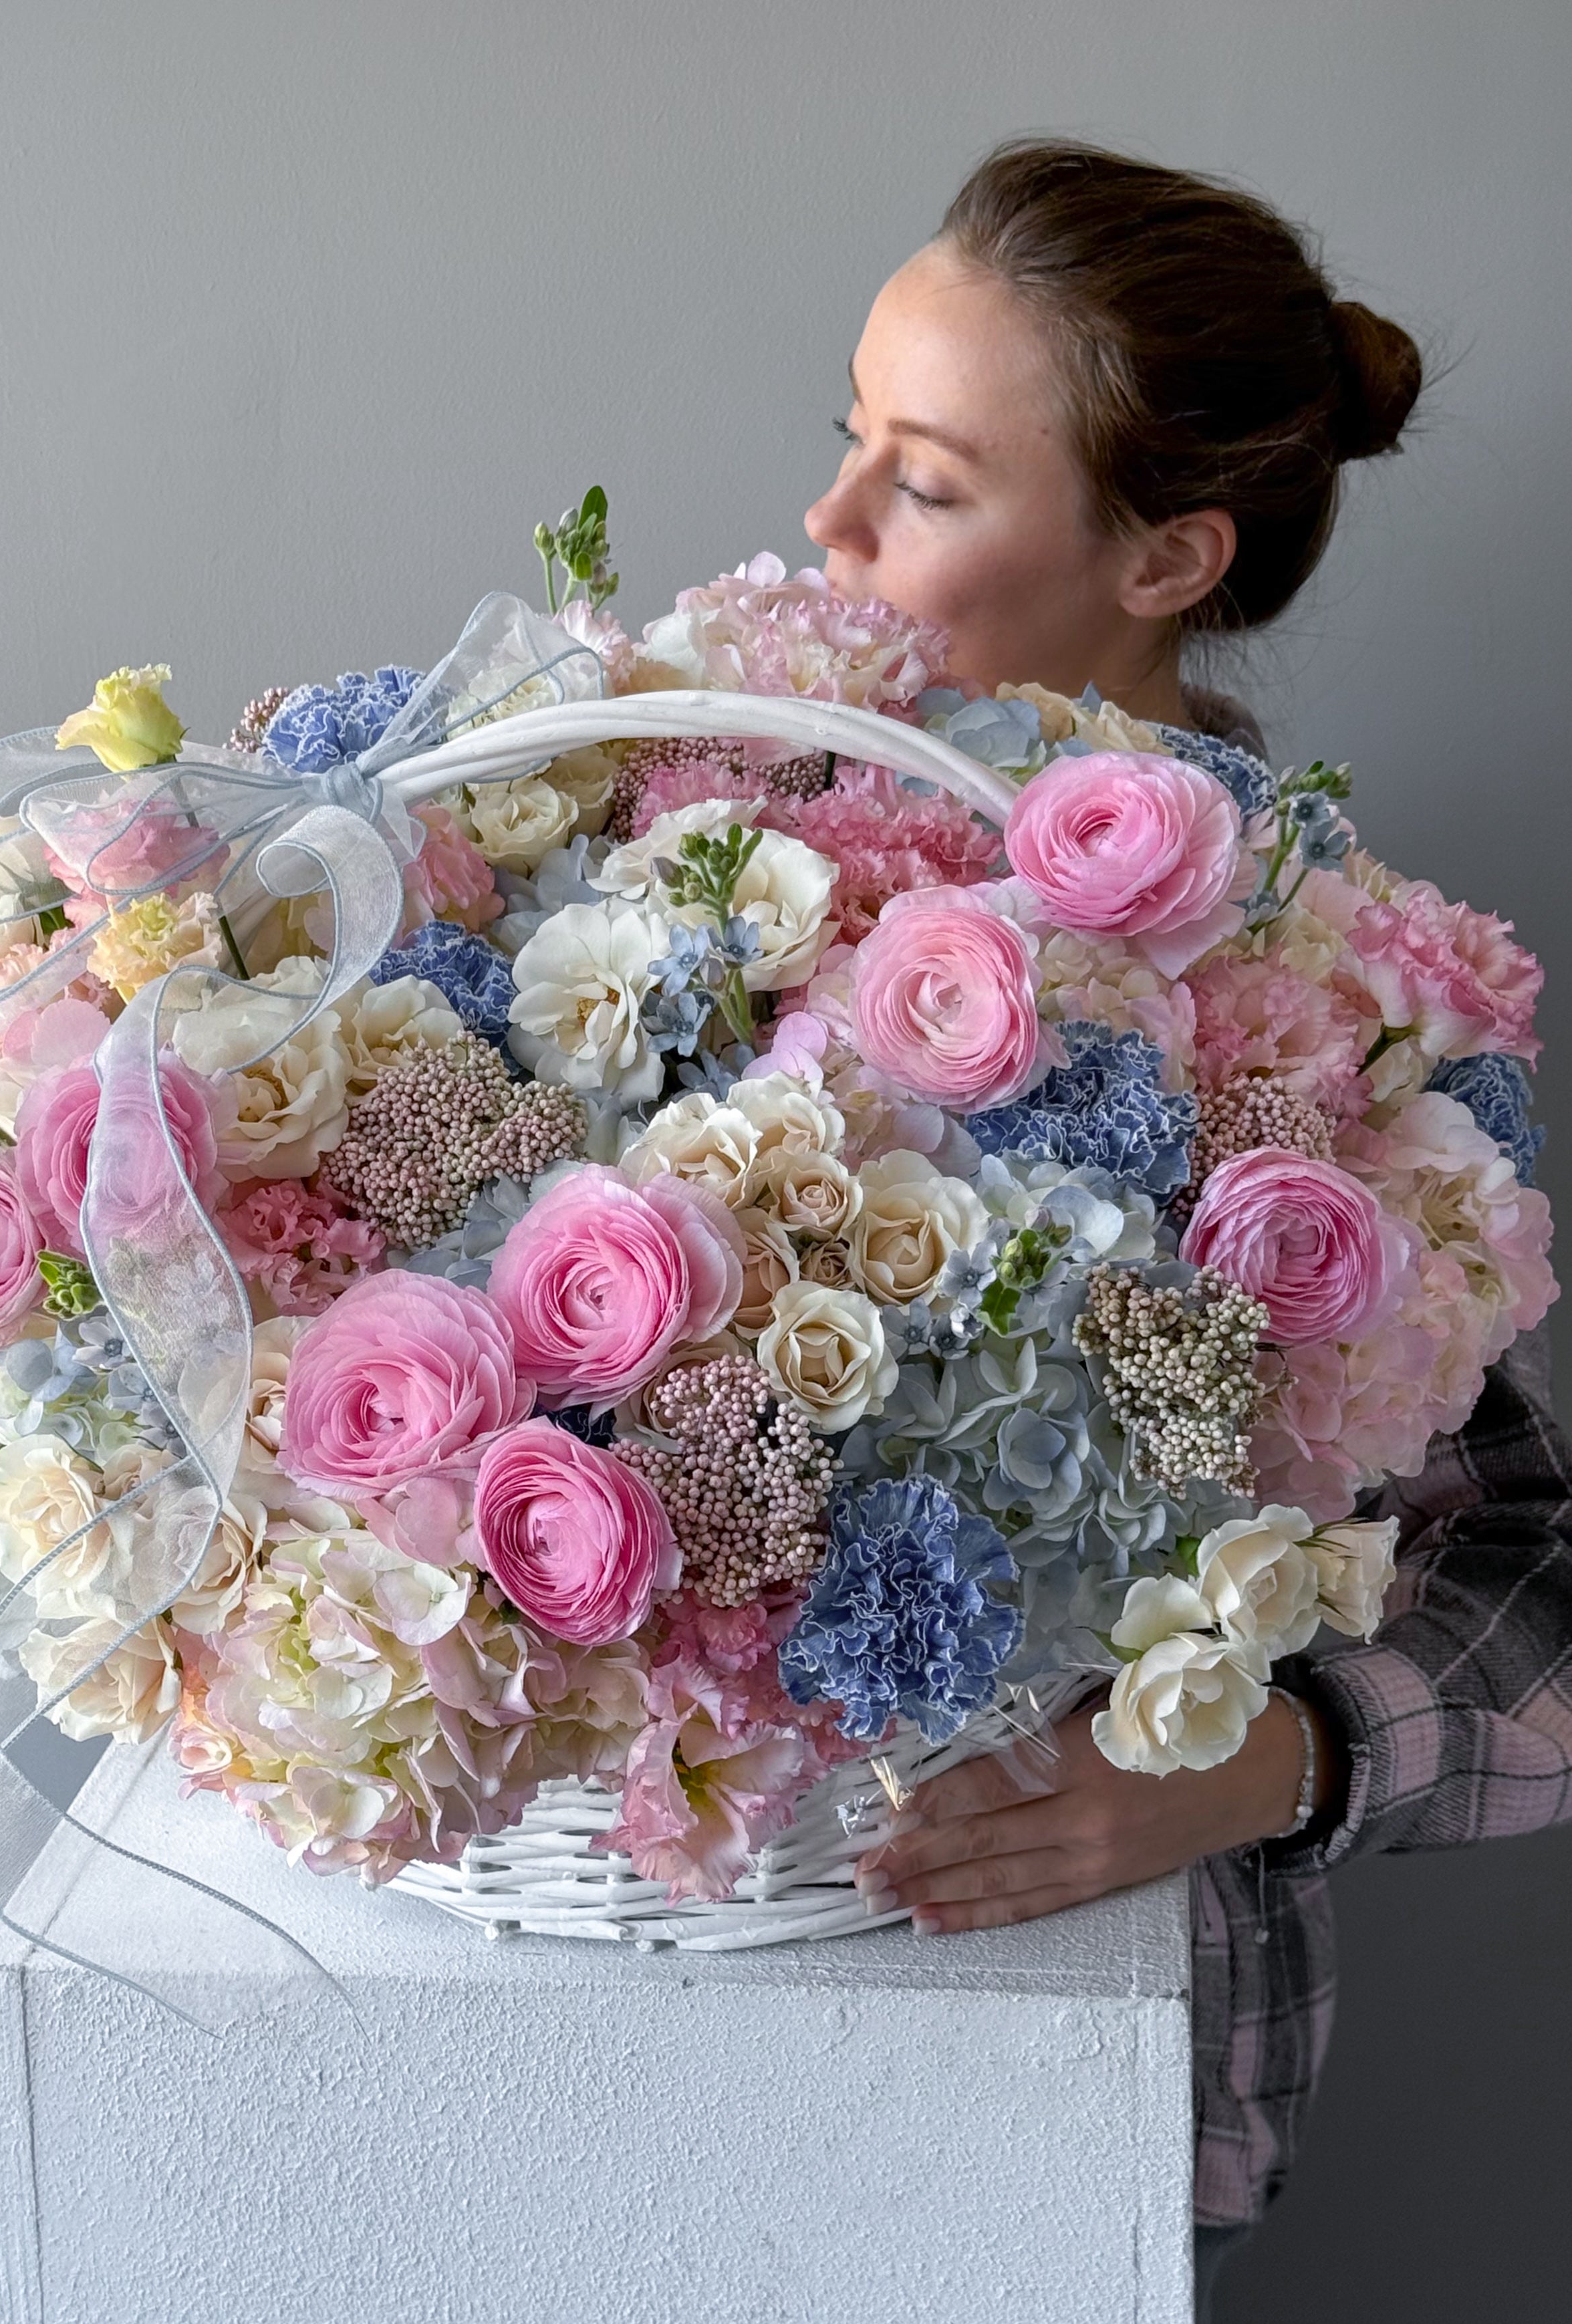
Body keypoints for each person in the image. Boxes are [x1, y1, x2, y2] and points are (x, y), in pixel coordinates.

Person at [811, 138, 1572, 2313]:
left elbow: (1540, 1600)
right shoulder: (721, 859)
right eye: (847, 438)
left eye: (928, 484)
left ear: (1169, 554)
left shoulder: (1333, 1020)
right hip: (680, 1977)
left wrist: (1258, 1763)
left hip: (1083, 2071)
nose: (831, 529)